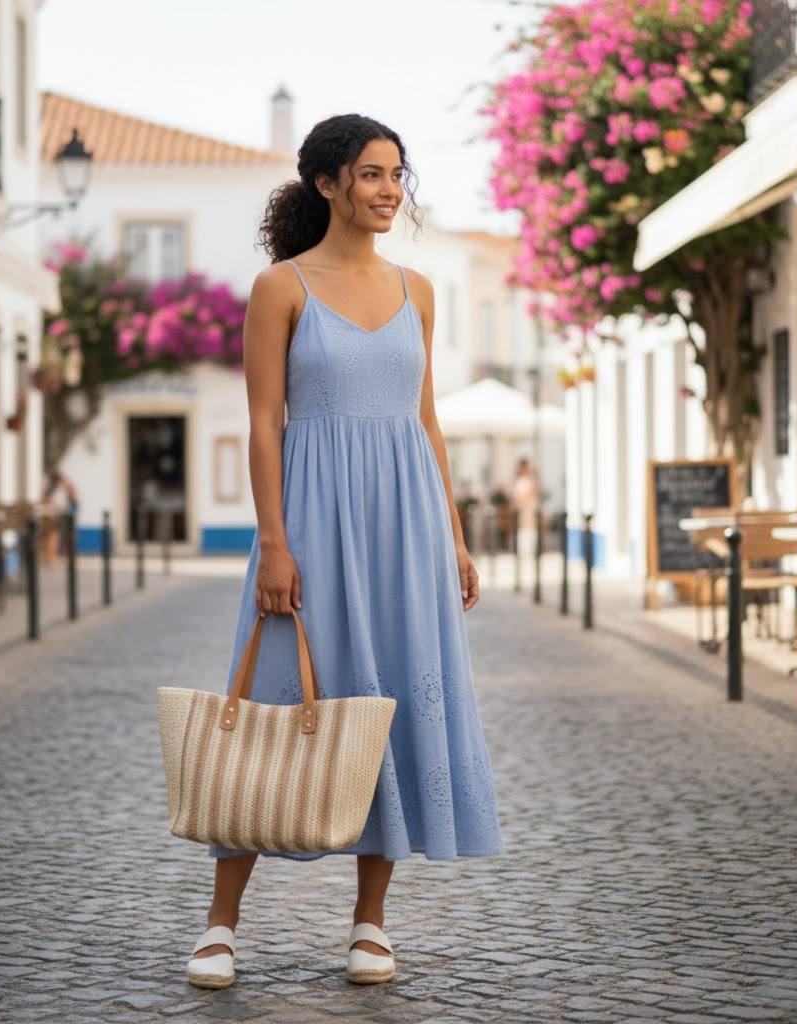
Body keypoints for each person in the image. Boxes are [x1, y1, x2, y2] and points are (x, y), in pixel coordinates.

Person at [187, 114, 503, 991]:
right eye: (372, 174)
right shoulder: (279, 287)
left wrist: (455, 535)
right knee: (272, 711)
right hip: (312, 525)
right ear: (328, 183)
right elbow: (263, 425)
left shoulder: (420, 289)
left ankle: (370, 923)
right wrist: (275, 544)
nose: (390, 190)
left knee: (393, 702)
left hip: (405, 529)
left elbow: (426, 420)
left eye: (399, 175)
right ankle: (221, 924)